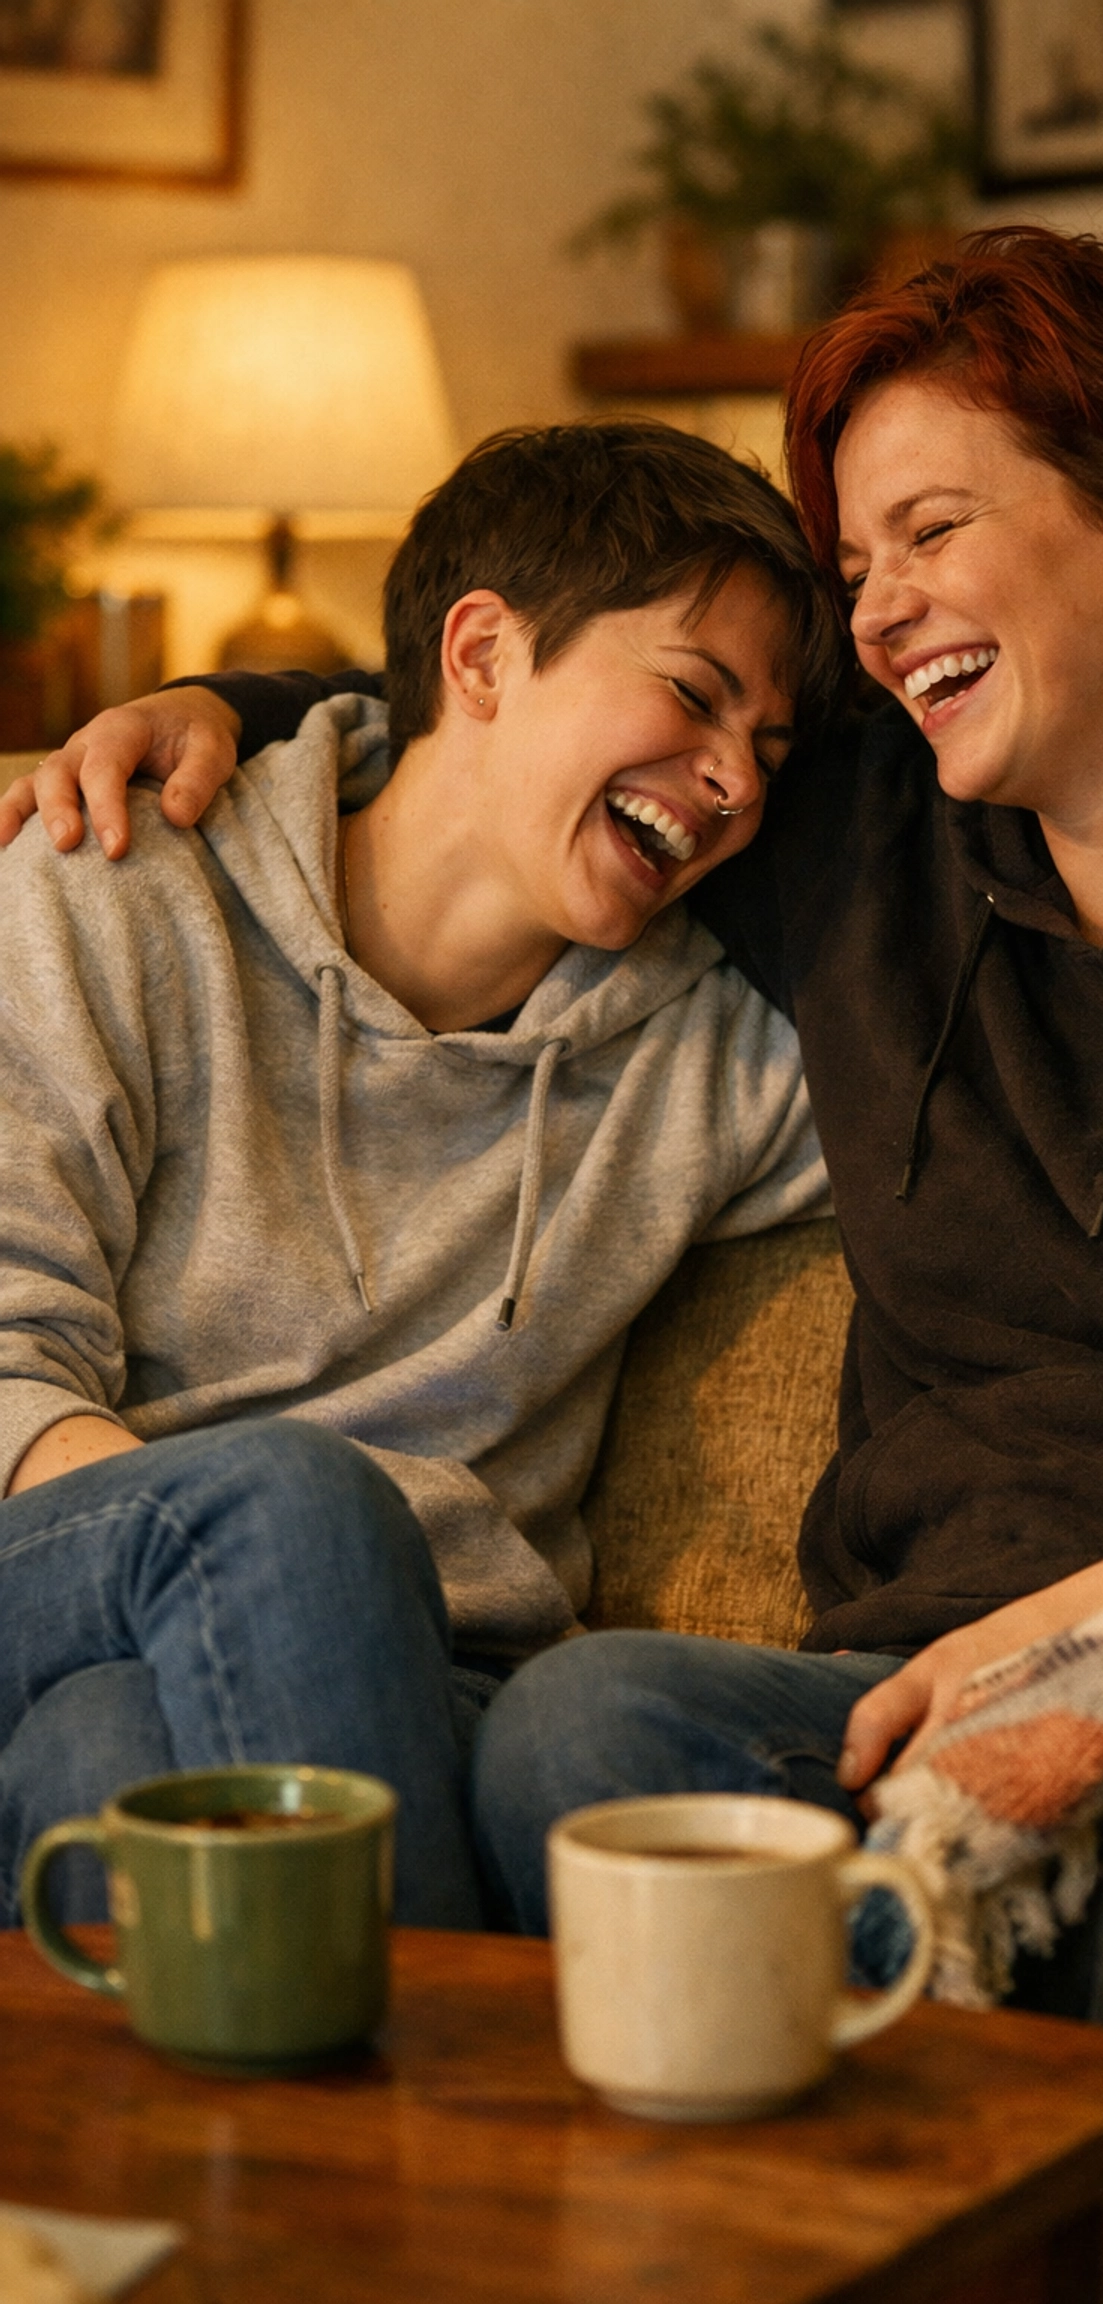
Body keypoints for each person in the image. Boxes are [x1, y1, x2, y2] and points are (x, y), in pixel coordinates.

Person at [16, 228, 1103, 2301]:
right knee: (566, 1718)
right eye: (857, 562)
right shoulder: (880, 844)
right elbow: (513, 725)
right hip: (855, 1680)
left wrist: (1072, 1653)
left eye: (925, 533)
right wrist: (206, 705)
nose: (878, 615)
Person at [0, 419, 838, 1933]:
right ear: (481, 655)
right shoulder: (112, 882)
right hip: (54, 1561)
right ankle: (454, 2133)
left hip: (425, 1687)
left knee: (109, 1756)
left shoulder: (708, 1056)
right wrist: (253, 1568)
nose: (730, 786)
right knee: (283, 1504)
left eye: (768, 755)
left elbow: (1003, 1110)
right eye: (695, 696)